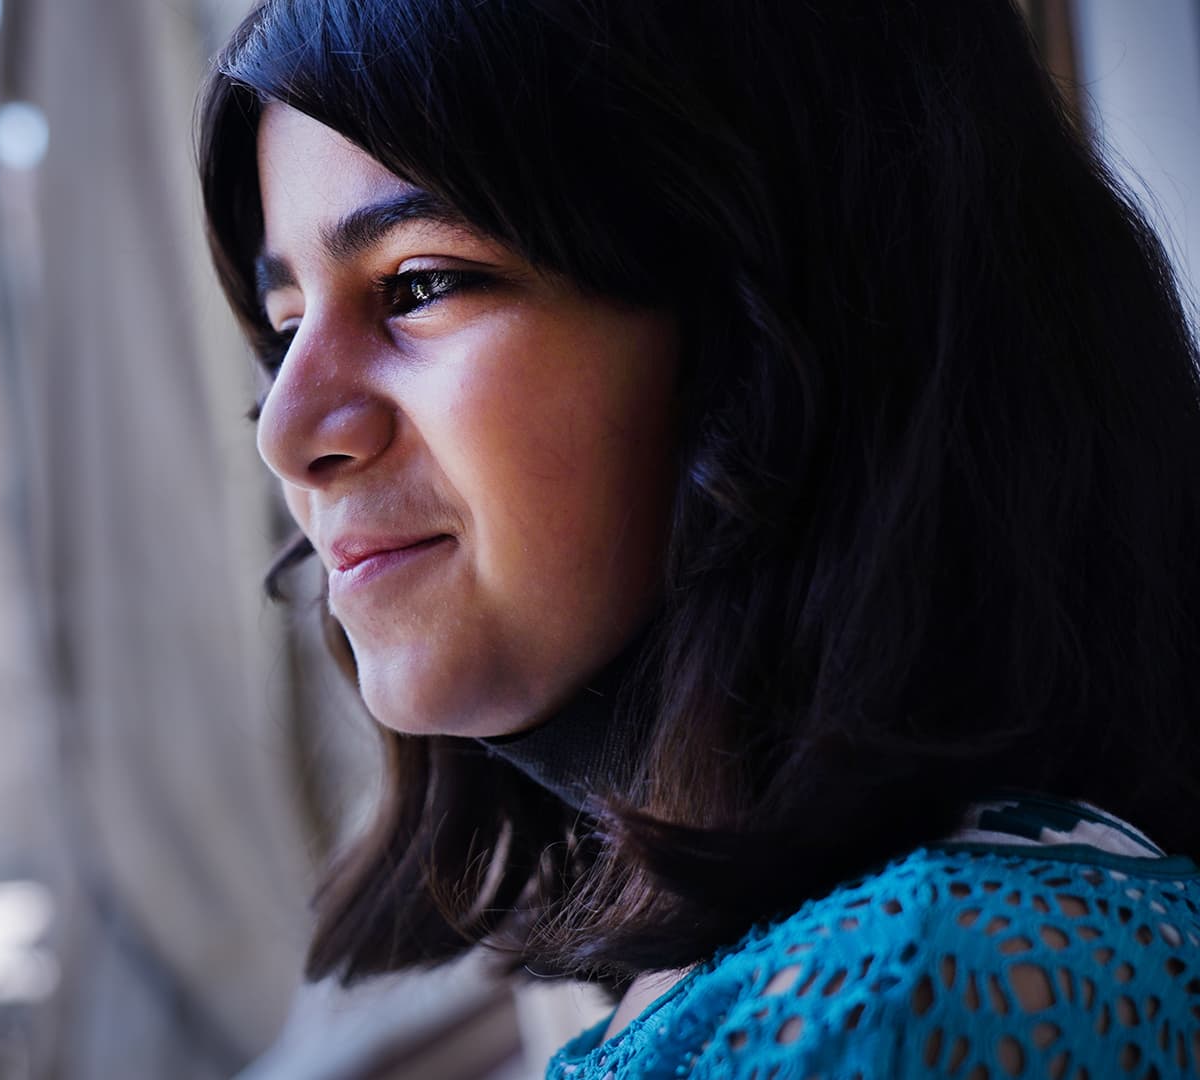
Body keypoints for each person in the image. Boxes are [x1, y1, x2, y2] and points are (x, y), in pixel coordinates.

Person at [196, 1, 1200, 1076]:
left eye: (422, 284)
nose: (289, 434)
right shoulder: (789, 971)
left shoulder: (908, 990)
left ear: (781, 325)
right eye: (287, 330)